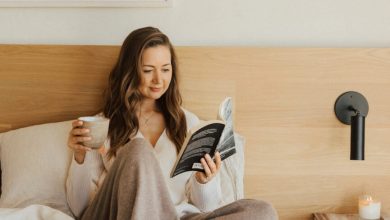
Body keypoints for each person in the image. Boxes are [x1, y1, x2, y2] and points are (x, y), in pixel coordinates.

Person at [66, 26, 278, 220]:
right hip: (123, 215)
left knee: (261, 212)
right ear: (130, 71)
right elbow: (79, 209)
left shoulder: (187, 123)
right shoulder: (103, 126)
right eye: (148, 70)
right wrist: (79, 157)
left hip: (178, 216)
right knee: (138, 150)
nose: (159, 80)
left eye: (165, 69)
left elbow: (207, 207)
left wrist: (204, 181)